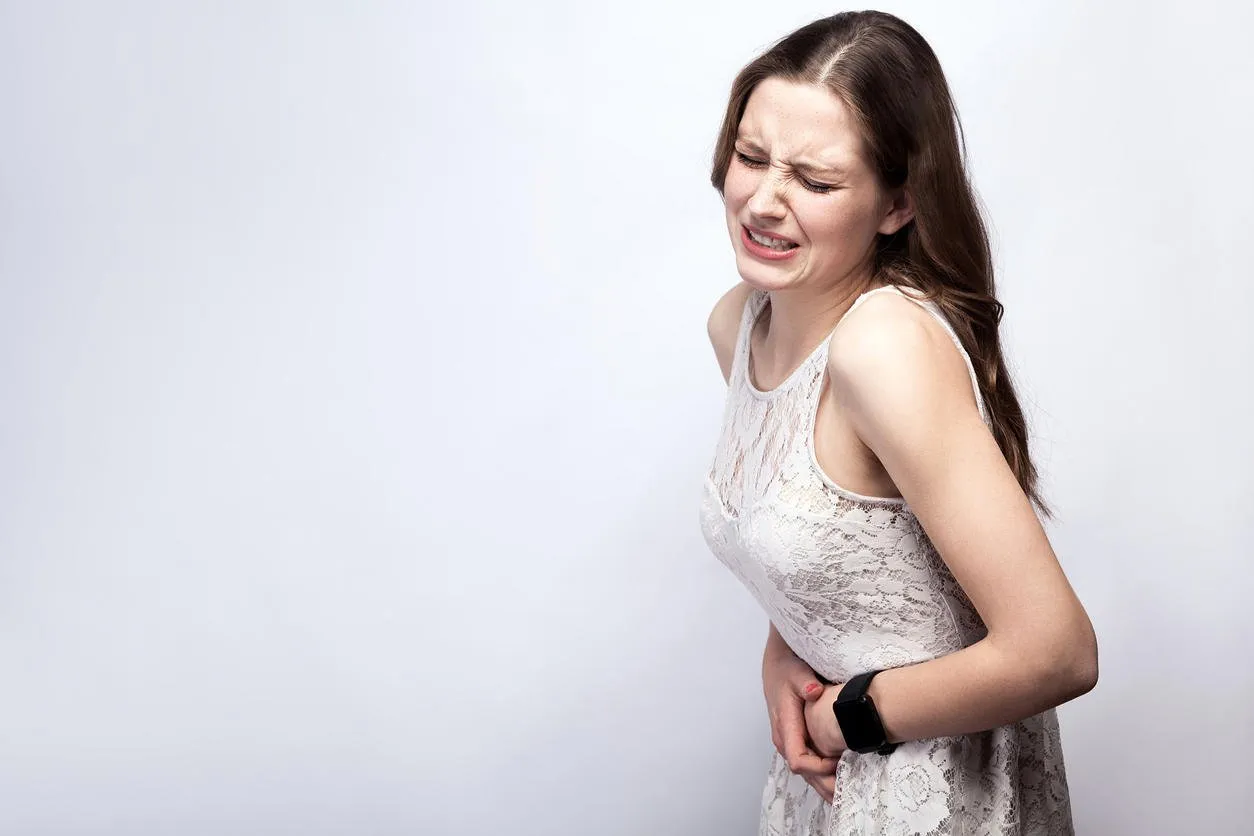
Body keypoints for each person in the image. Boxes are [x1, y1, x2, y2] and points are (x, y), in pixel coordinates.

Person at [698, 11, 1098, 835]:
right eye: (751, 157)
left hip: (927, 784)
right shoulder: (739, 322)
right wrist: (783, 652)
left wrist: (847, 717)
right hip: (830, 781)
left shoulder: (884, 347)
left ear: (897, 205)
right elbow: (824, 539)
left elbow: (1057, 650)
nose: (763, 203)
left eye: (815, 181)